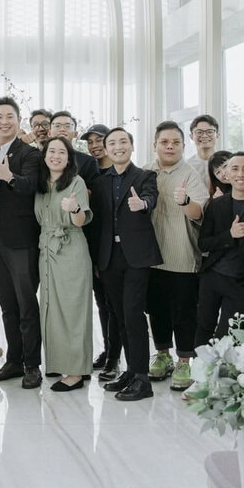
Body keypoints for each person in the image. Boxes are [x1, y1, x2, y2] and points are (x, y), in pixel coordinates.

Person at [96, 128, 162, 402]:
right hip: (109, 256)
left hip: (136, 255)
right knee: (119, 315)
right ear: (106, 150)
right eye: (112, 143)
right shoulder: (100, 181)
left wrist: (142, 204)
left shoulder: (145, 176)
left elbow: (151, 198)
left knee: (133, 313)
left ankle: (143, 379)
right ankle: (132, 371)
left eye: (123, 141)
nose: (118, 146)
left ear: (132, 146)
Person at [0, 97, 43, 390]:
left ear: (19, 121)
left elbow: (33, 186)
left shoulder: (29, 154)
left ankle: (32, 365)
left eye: (10, 117)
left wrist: (9, 177)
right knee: (7, 304)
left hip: (20, 239)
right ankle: (14, 360)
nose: (4, 122)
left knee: (26, 303)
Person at [144, 121, 209, 392]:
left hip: (182, 254)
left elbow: (199, 213)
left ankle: (184, 360)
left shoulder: (190, 174)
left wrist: (185, 202)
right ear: (155, 145)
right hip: (151, 255)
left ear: (183, 146)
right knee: (156, 308)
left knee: (184, 311)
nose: (170, 147)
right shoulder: (146, 171)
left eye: (176, 143)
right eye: (164, 142)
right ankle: (162, 355)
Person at [194, 152, 244, 346]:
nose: (240, 174)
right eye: (235, 169)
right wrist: (229, 235)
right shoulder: (216, 204)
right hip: (213, 277)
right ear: (227, 175)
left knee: (227, 336)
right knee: (203, 328)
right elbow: (203, 243)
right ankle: (199, 365)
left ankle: (222, 367)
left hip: (242, 283)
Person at [34, 136, 93, 392]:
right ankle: (58, 363)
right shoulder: (40, 183)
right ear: (44, 155)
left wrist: (75, 208)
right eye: (52, 151)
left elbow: (81, 220)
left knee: (73, 310)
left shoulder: (76, 182)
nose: (56, 156)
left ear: (69, 159)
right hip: (46, 250)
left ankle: (76, 372)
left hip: (71, 249)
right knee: (50, 308)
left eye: (62, 152)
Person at [80, 122, 120, 376]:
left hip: (114, 250)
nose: (94, 146)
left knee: (115, 305)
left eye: (99, 140)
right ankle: (108, 351)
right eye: (90, 142)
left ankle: (114, 357)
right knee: (102, 303)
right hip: (93, 248)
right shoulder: (89, 172)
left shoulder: (118, 172)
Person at [187, 114, 219, 187]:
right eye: (199, 132)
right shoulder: (187, 166)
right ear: (191, 136)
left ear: (217, 135)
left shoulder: (228, 162)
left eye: (210, 132)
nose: (204, 136)